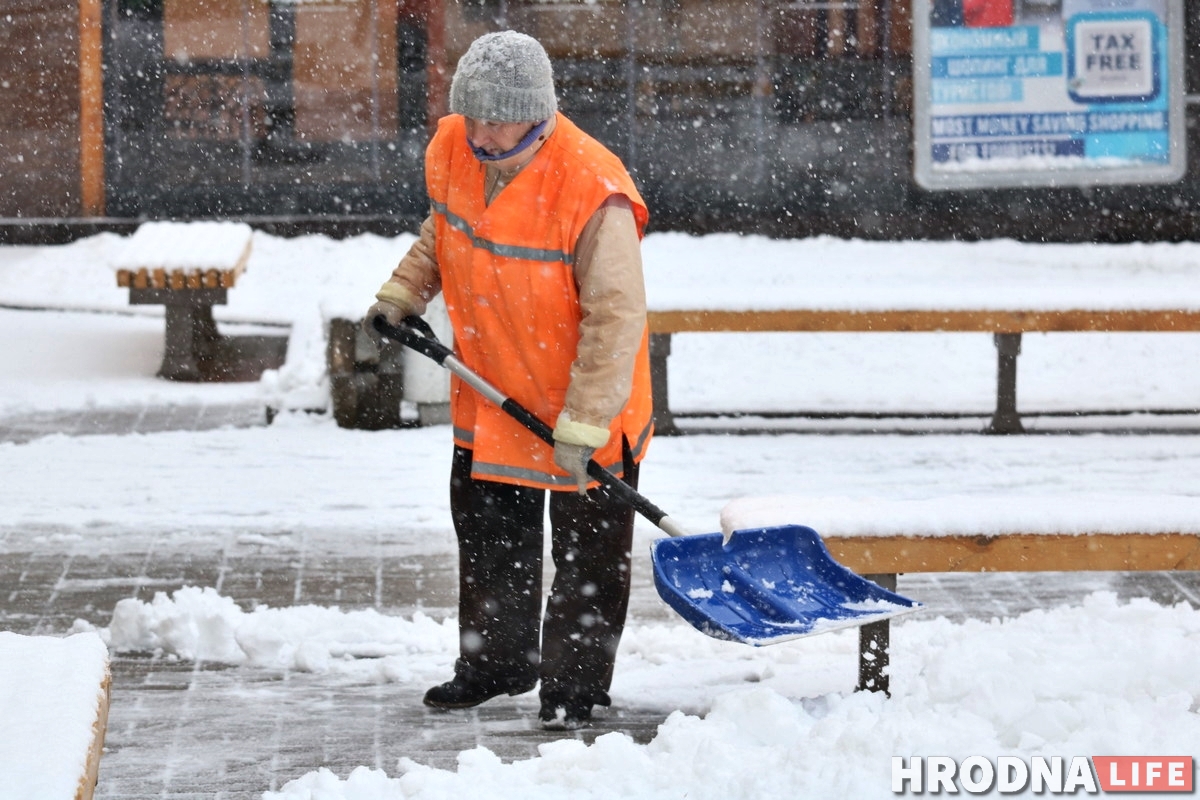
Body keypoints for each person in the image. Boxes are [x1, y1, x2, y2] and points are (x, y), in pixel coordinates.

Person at [364, 30, 653, 730]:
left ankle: (574, 688)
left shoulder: (592, 187)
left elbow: (616, 319)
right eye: (473, 116)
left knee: (588, 557)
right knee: (490, 538)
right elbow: (444, 228)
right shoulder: (454, 149)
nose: (481, 134)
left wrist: (585, 422)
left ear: (536, 113)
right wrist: (404, 291)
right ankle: (496, 664)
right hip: (491, 389)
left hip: (581, 404)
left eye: (498, 120)